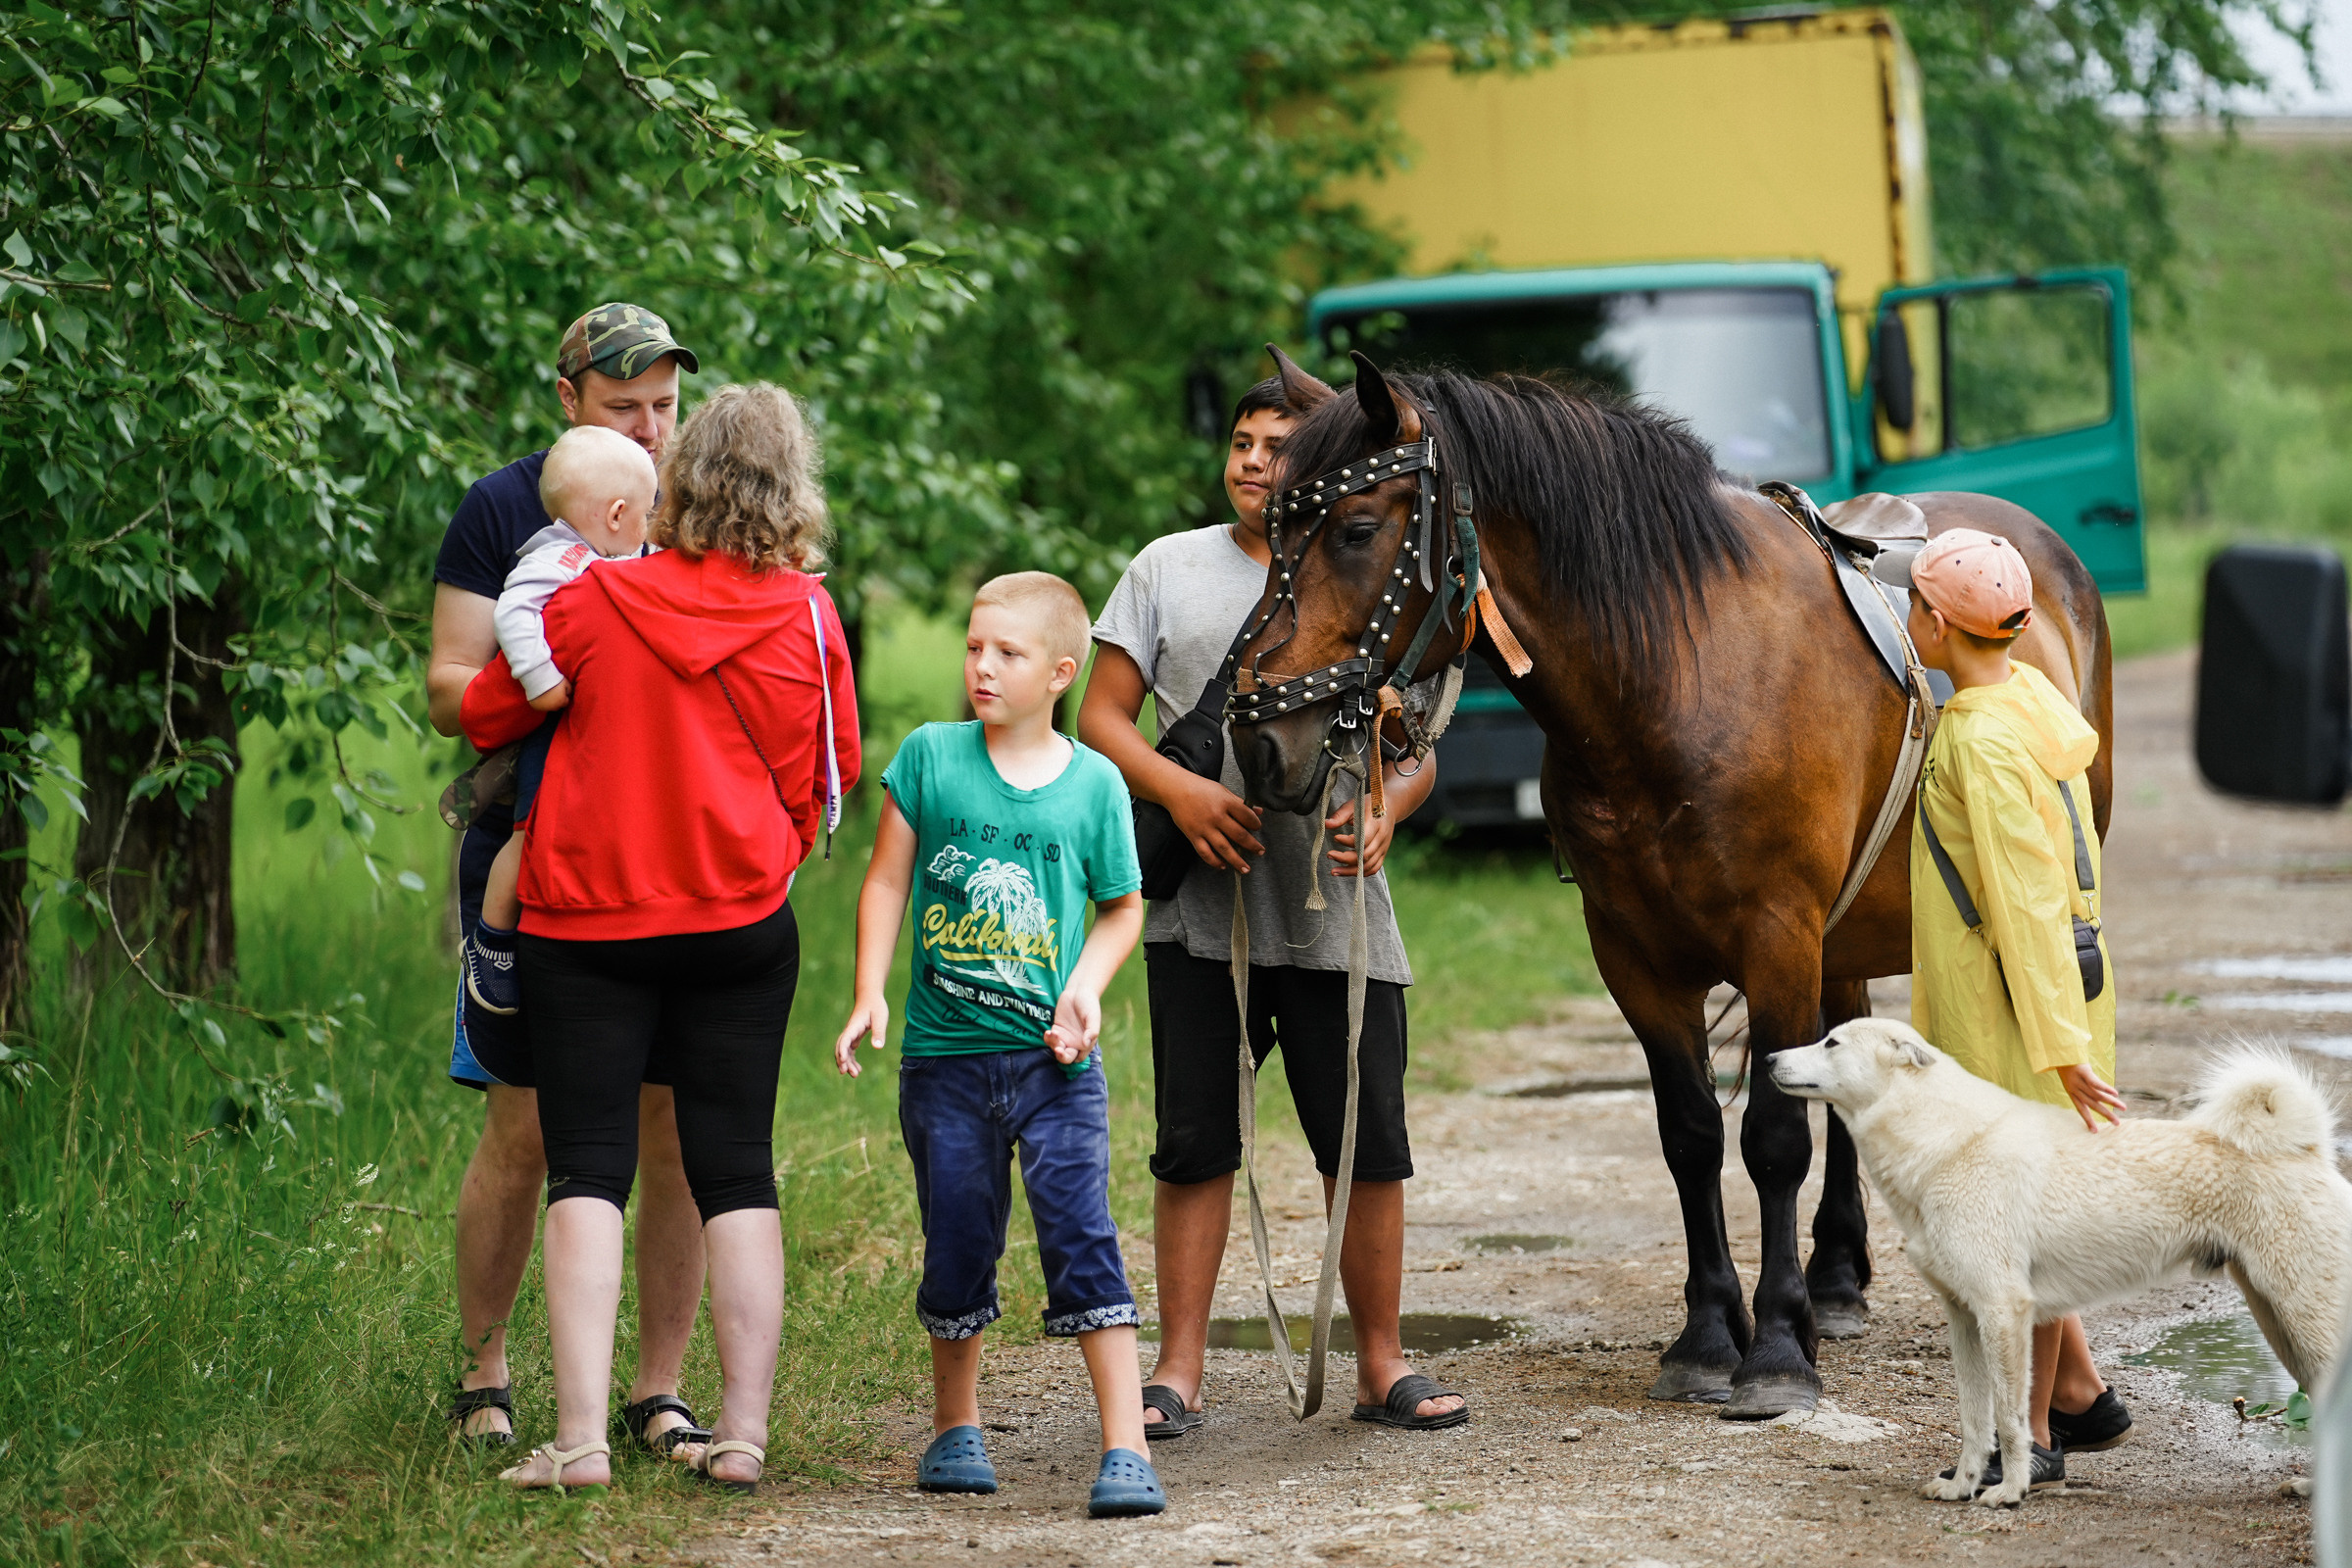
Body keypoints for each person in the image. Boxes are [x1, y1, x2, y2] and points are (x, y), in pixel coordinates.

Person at [460, 381, 859, 1492]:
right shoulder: (810, 614)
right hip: (737, 925)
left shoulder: (597, 600)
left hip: (585, 924)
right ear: (793, 489)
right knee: (737, 1171)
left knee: (587, 1169)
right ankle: (740, 1436)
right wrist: (762, 848)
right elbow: (835, 774)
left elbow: (491, 711)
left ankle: (580, 1440)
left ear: (675, 479)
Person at [1076, 378, 1465, 1437]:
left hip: (1341, 911)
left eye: (1278, 446)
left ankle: (1383, 1364)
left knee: (1366, 1143)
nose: (1253, 461)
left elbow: (1419, 744)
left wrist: (1390, 807)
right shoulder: (1166, 567)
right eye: (1241, 443)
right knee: (1195, 1139)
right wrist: (1180, 791)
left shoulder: (1377, 560)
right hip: (1201, 913)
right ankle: (1179, 1371)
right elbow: (1100, 716)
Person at [424, 302, 713, 1454]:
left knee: (674, 1127)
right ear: (567, 403)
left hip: (671, 856)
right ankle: (485, 1370)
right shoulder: (505, 507)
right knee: (527, 1123)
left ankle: (658, 1389)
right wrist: (554, 674)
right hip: (530, 840)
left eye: (666, 408)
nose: (648, 434)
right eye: (622, 408)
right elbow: (449, 688)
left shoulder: (699, 507)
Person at [833, 571, 1163, 1518]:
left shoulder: (1097, 783)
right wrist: (868, 991)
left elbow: (1121, 910)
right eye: (974, 646)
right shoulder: (932, 758)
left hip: (1056, 1066)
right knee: (959, 1241)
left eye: (1006, 653)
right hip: (942, 1063)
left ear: (1060, 672)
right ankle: (956, 1428)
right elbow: (888, 882)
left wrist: (1086, 988)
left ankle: (1127, 1446)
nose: (982, 666)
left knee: (1081, 1235)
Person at [1885, 526, 2133, 1490]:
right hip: (2060, 988)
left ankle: (2026, 1434)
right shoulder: (2032, 697)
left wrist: (2060, 1047)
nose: (1907, 620)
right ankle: (2077, 1390)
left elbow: (2025, 902)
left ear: (1937, 624)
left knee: (2010, 1224)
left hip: (2014, 1009)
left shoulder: (1982, 744)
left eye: (1912, 606)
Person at [461, 424, 661, 1017]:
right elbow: (514, 615)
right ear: (618, 513)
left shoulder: (617, 553)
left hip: (594, 724)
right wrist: (541, 680)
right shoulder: (560, 558)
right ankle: (493, 940)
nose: (651, 528)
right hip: (551, 723)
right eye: (647, 515)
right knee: (531, 832)